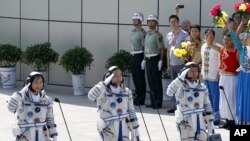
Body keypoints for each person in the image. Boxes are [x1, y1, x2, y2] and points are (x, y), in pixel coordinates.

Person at [88, 66, 142, 141]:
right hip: (108, 128)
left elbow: (131, 111)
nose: (119, 78)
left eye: (120, 75)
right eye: (115, 76)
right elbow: (91, 96)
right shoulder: (102, 92)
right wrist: (104, 84)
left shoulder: (127, 92)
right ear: (108, 77)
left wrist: (137, 130)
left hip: (124, 126)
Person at [166, 62, 215, 140]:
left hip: (200, 119)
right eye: (191, 71)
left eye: (196, 71)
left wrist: (211, 121)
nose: (194, 73)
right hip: (185, 120)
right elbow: (169, 93)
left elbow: (207, 104)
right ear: (185, 73)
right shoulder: (179, 86)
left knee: (203, 138)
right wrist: (180, 78)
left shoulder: (202, 87)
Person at [7, 71, 58, 141]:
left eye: (40, 82)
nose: (38, 85)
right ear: (29, 83)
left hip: (42, 135)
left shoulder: (46, 100)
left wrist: (54, 135)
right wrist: (19, 94)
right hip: (25, 135)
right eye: (35, 83)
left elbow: (50, 119)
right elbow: (10, 108)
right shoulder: (21, 99)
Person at [227, 17, 250, 125]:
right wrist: (242, 23)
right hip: (242, 76)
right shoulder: (241, 49)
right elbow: (235, 36)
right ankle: (242, 122)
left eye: (247, 38)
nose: (245, 40)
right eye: (244, 38)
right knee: (242, 98)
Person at [166, 14, 189, 112]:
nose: (173, 23)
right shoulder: (168, 35)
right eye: (171, 22)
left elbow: (188, 49)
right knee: (173, 85)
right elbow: (168, 50)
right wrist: (168, 64)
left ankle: (182, 105)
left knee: (182, 85)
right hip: (172, 64)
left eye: (175, 21)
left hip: (181, 64)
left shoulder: (184, 34)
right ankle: (174, 106)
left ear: (178, 22)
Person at [142, 14, 164, 109]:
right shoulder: (146, 34)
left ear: (156, 23)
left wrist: (161, 60)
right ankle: (153, 101)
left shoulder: (158, 34)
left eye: (153, 21)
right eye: (149, 21)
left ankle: (158, 102)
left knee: (157, 82)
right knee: (150, 82)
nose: (151, 23)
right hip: (148, 59)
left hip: (155, 59)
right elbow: (145, 48)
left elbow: (161, 48)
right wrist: (144, 59)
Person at [200, 29, 221, 125]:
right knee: (207, 97)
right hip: (205, 75)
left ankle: (216, 117)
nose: (209, 36)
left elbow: (221, 61)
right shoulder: (203, 46)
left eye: (211, 35)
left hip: (214, 75)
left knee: (215, 97)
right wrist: (201, 73)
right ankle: (209, 116)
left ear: (214, 36)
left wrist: (219, 74)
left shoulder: (218, 47)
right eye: (207, 35)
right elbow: (203, 61)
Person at [219, 33, 239, 129]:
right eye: (225, 39)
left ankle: (233, 120)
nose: (226, 41)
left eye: (228, 39)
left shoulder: (236, 51)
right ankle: (227, 120)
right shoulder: (222, 49)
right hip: (223, 77)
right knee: (223, 99)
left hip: (233, 77)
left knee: (231, 99)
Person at [130, 12, 147, 106]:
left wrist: (144, 59)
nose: (133, 21)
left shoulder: (142, 32)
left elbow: (145, 47)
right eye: (133, 19)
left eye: (135, 19)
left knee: (140, 78)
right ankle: (137, 97)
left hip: (139, 55)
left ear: (140, 21)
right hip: (133, 55)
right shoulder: (133, 31)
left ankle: (141, 99)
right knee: (135, 78)